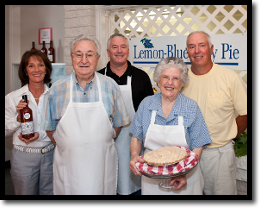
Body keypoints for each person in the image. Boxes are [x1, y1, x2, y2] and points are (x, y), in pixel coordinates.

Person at [44, 34, 130, 195]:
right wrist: (70, 146)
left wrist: (99, 142)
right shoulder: (57, 89)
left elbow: (118, 124)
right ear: (72, 58)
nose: (84, 60)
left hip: (101, 167)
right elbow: (50, 129)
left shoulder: (110, 86)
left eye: (89, 55)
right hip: (68, 169)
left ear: (97, 58)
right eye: (79, 54)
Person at [129, 57, 212, 195]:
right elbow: (136, 137)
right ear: (158, 80)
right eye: (165, 77)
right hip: (152, 178)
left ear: (182, 84)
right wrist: (134, 155)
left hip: (185, 178)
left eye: (175, 79)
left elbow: (198, 145)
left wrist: (184, 172)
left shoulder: (191, 107)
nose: (169, 82)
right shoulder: (146, 104)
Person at [182, 31, 247, 195]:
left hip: (219, 156)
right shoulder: (181, 80)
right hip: (187, 155)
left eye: (201, 45)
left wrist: (229, 135)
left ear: (211, 49)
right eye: (192, 46)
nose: (197, 51)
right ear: (187, 51)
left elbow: (245, 113)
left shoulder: (229, 78)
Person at [98, 34, 154, 195]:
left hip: (134, 143)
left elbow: (150, 113)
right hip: (105, 141)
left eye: (123, 47)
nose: (119, 51)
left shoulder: (141, 77)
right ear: (108, 52)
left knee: (133, 187)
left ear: (128, 51)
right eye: (115, 47)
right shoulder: (98, 78)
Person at [5, 50, 54, 195]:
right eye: (31, 66)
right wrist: (18, 120)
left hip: (50, 155)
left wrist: (39, 135)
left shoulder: (54, 96)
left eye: (40, 65)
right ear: (25, 71)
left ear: (46, 69)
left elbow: (60, 127)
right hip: (23, 158)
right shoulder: (13, 98)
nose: (37, 70)